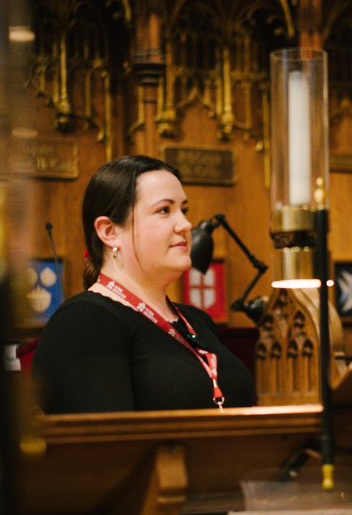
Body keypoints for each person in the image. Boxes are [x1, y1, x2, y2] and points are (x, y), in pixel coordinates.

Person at [33, 155, 256, 414]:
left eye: (184, 210)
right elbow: (106, 448)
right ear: (109, 231)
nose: (185, 224)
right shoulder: (83, 323)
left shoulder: (198, 321)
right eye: (164, 210)